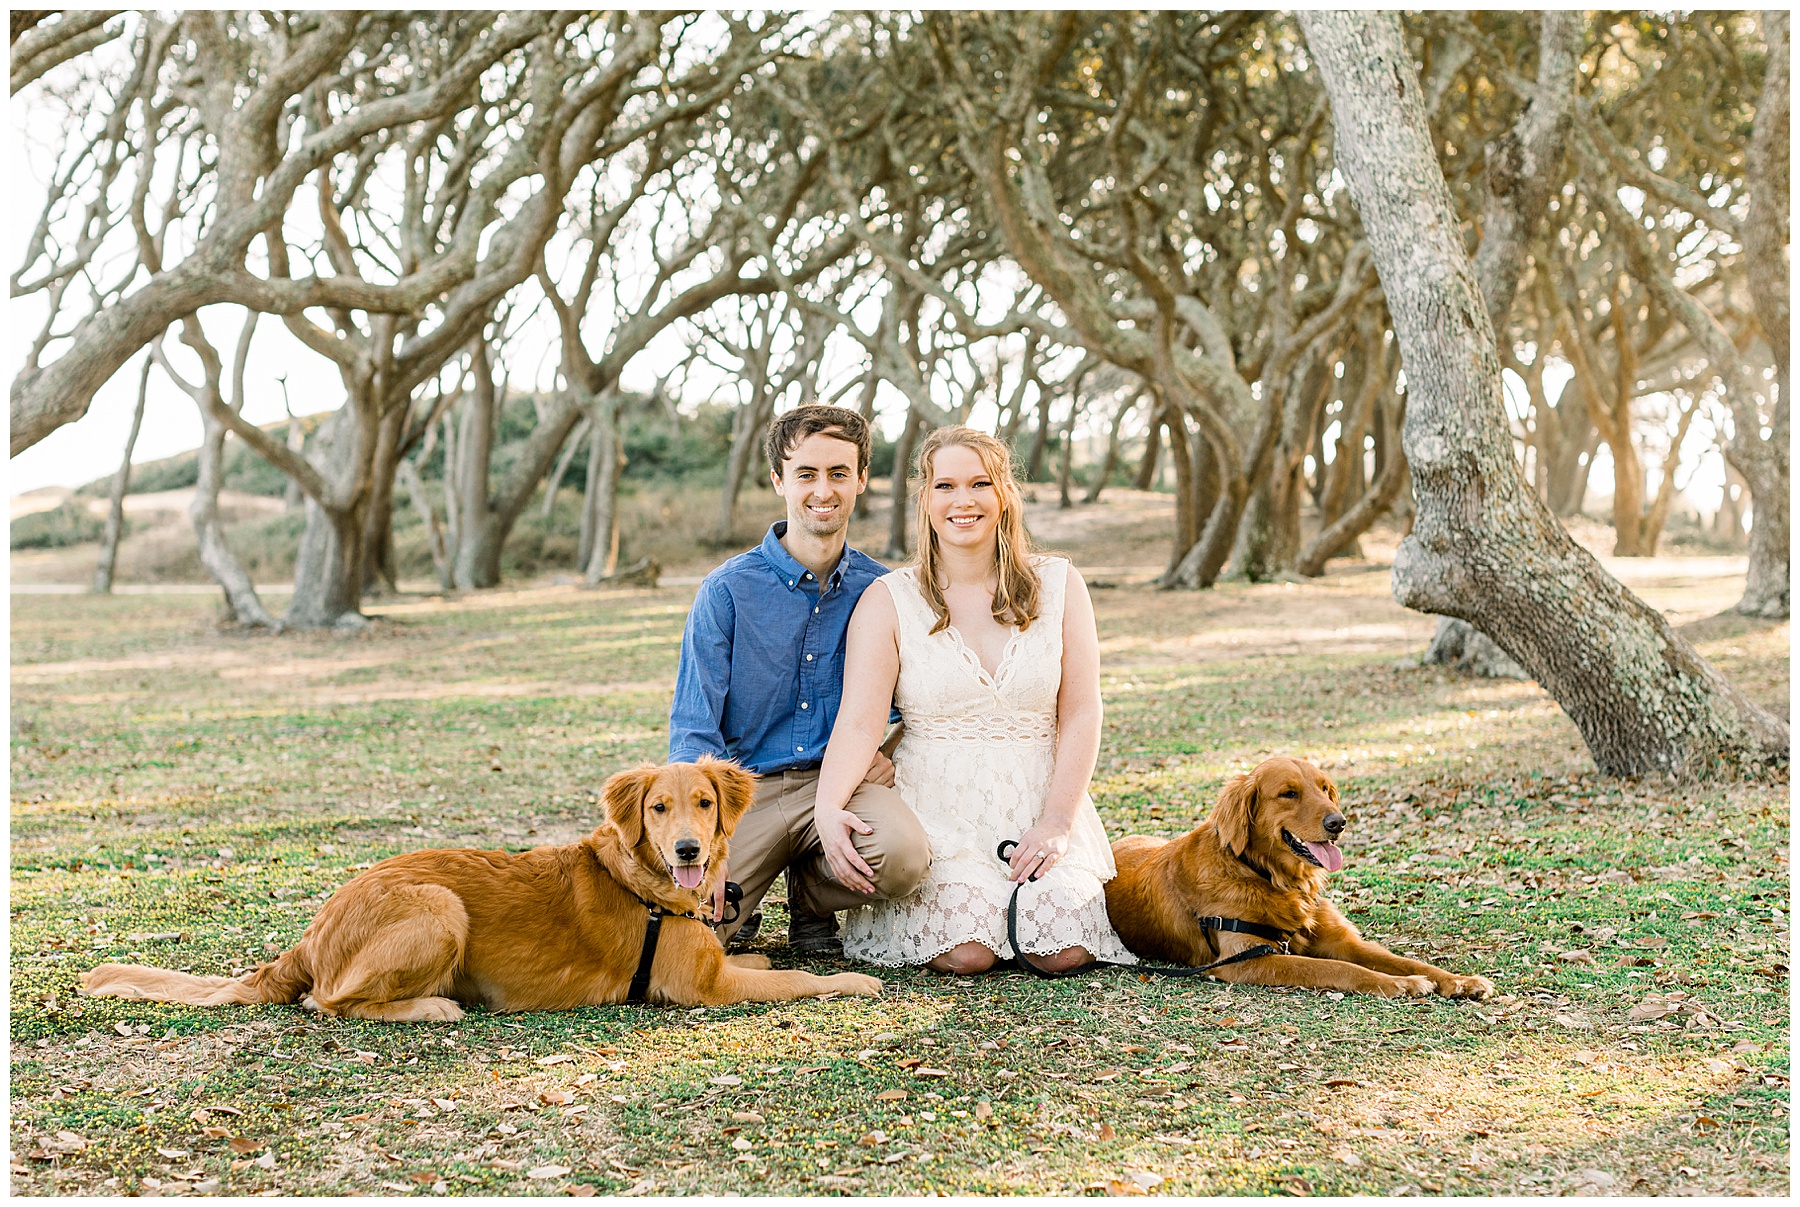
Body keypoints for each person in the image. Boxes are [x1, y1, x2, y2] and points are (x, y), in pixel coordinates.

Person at [810, 425, 1134, 972]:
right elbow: (860, 723)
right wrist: (827, 809)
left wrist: (1057, 821)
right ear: (925, 500)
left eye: (980, 483)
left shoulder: (1058, 585)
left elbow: (1080, 710)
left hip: (1038, 796)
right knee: (967, 953)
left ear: (1004, 494)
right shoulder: (888, 600)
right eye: (946, 487)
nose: (963, 501)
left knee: (1062, 952)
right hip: (937, 805)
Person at [668, 404, 931, 956]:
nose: (823, 490)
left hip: (842, 785)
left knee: (904, 858)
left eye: (839, 473)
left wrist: (890, 749)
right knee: (689, 935)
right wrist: (710, 842)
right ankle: (752, 889)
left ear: (861, 479)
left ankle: (810, 897)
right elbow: (694, 731)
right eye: (806, 474)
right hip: (746, 796)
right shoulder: (726, 591)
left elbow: (921, 699)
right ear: (778, 480)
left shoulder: (882, 590)